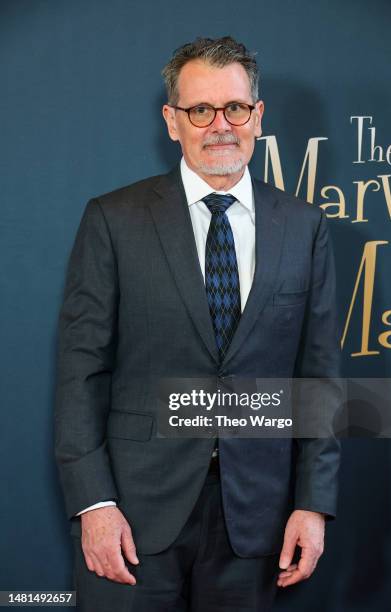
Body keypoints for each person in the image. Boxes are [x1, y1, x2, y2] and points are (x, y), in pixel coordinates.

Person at [54, 35, 341, 611]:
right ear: (171, 121)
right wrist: (94, 504)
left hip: (258, 518)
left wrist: (313, 502)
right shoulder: (113, 219)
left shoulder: (304, 228)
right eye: (199, 110)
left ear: (257, 117)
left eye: (234, 108)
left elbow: (320, 378)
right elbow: (80, 372)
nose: (220, 125)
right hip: (134, 517)